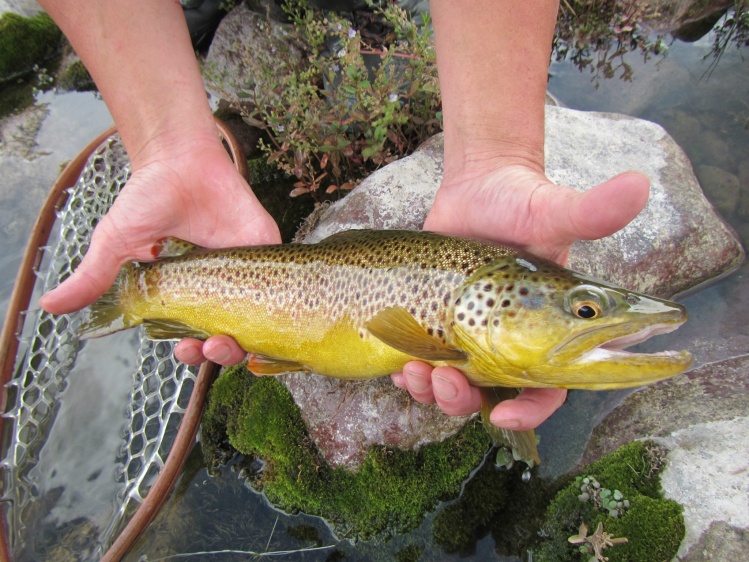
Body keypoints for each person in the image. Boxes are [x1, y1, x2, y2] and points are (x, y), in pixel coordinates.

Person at [37, 0, 649, 433]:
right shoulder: (456, 323)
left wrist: (496, 154)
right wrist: (166, 147)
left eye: (586, 310)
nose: (589, 317)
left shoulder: (468, 315)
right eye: (586, 312)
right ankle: (141, 292)